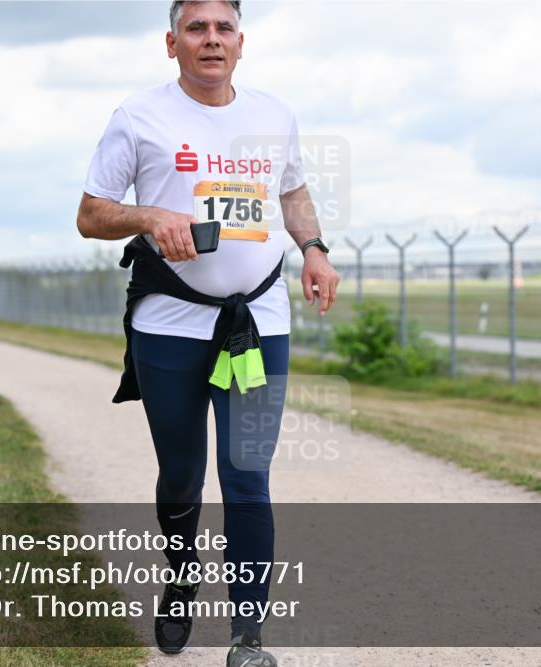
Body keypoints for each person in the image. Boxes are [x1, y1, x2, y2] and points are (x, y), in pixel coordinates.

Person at [77, 2, 339, 664]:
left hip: (257, 322)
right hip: (169, 324)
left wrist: (313, 246)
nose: (211, 39)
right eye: (197, 28)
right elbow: (89, 214)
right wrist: (147, 215)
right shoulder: (139, 117)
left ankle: (249, 635)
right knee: (183, 474)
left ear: (241, 43)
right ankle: (179, 574)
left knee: (247, 473)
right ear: (173, 43)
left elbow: (294, 192)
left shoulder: (274, 116)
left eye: (223, 28)